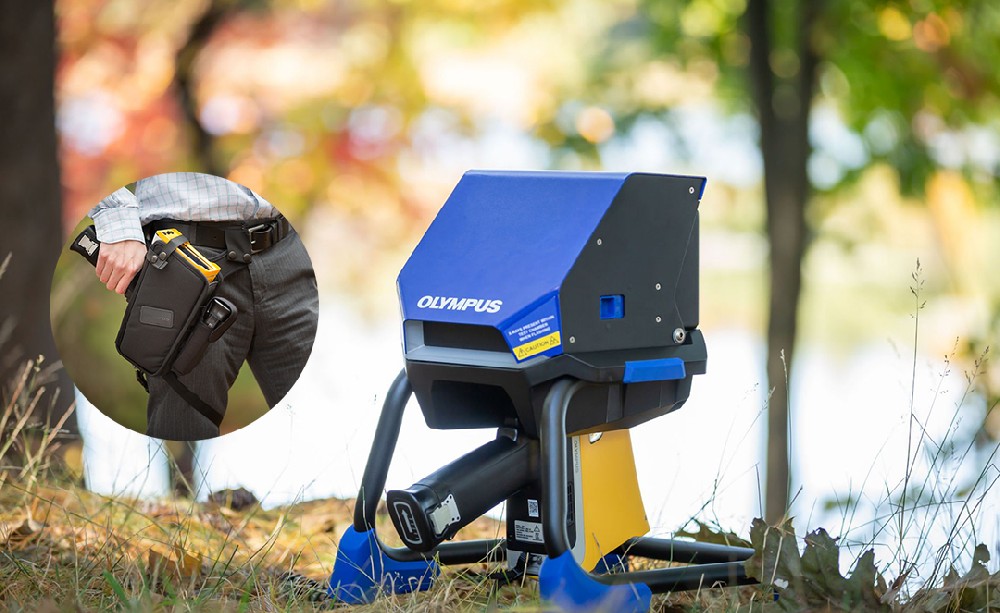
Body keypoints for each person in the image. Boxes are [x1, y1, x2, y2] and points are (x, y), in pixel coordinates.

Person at [89, 172, 318, 441]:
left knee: (317, 418)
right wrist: (117, 222)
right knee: (184, 426)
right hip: (186, 260)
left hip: (284, 250)